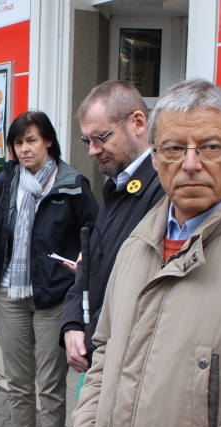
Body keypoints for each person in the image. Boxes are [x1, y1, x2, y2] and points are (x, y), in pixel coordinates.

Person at [72, 79, 221, 427]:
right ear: (154, 156)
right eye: (173, 148)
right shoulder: (136, 243)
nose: (191, 163)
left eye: (210, 147)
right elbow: (103, 349)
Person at [0, 111, 98, 427]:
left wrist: (80, 262)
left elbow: (94, 236)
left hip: (54, 296)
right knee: (18, 380)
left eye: (31, 140)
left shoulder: (72, 184)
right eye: (18, 142)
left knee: (49, 384)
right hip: (8, 293)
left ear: (48, 140)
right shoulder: (7, 180)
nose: (24, 148)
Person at [59, 81, 165, 373]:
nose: (93, 150)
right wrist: (71, 324)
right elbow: (89, 263)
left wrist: (91, 336)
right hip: (101, 351)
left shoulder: (165, 189)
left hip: (129, 360)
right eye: (86, 140)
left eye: (100, 137)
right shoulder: (118, 185)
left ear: (138, 123)